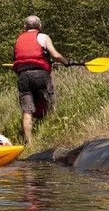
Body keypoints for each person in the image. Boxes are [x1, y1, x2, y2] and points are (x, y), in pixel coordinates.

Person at [12, 15, 68, 144]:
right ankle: (51, 133)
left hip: (23, 76)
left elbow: (16, 60)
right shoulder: (43, 37)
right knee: (50, 103)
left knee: (27, 110)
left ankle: (29, 142)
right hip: (40, 74)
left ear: (25, 27)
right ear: (40, 26)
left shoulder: (18, 39)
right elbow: (55, 55)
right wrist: (66, 62)